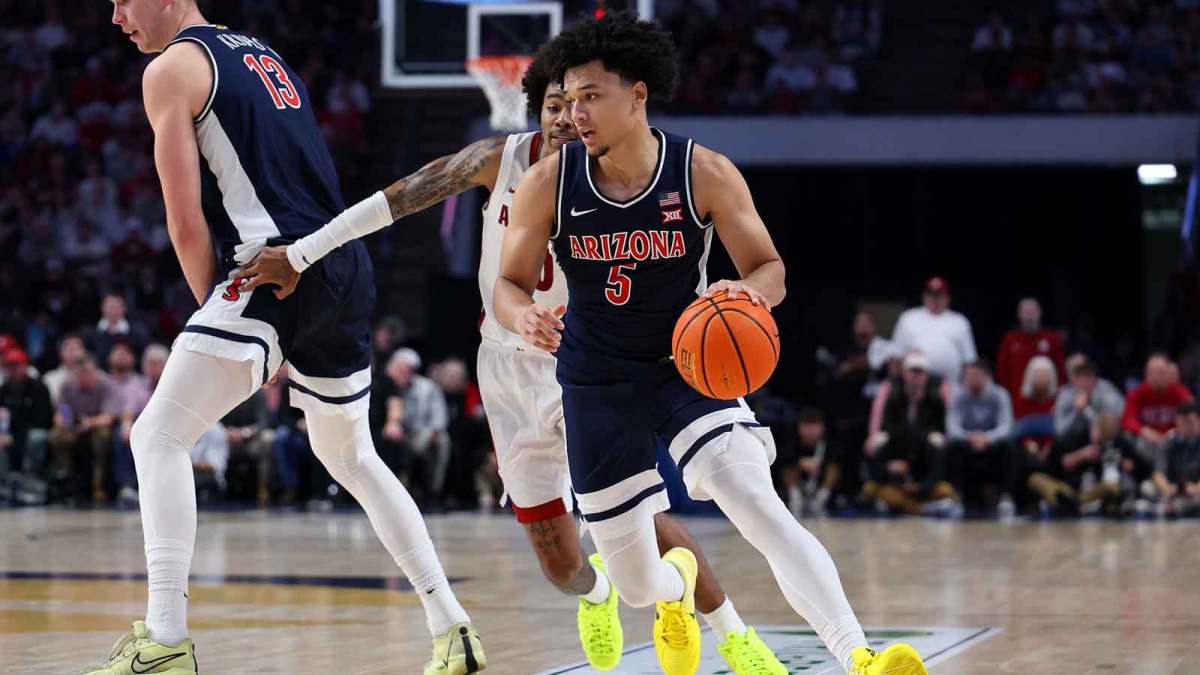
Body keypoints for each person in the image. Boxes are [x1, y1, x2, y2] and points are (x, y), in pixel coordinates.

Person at [234, 39, 782, 674]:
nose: (562, 117)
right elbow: (397, 199)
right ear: (538, 112)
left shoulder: (616, 177)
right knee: (559, 563)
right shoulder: (499, 161)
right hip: (503, 368)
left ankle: (734, 634)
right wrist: (302, 253)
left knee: (642, 521)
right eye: (552, 105)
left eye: (574, 103)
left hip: (583, 363)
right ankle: (599, 594)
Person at [495, 12, 925, 675]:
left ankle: (859, 654)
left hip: (685, 366)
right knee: (637, 584)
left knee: (757, 502)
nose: (573, 113)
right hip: (596, 380)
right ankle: (676, 589)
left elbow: (771, 269)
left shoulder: (703, 172)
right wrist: (521, 315)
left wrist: (746, 294)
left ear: (638, 95)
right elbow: (509, 285)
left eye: (591, 96)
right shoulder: (549, 182)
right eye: (568, 98)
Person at [92, 3, 483, 674]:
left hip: (278, 268)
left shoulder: (172, 69)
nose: (116, 15)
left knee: (155, 435)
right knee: (352, 457)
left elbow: (185, 222)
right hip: (342, 265)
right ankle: (452, 624)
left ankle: (164, 639)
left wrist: (225, 319)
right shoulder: (261, 53)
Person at [889, 277, 977, 386]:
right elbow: (895, 356)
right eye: (931, 295)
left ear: (947, 298)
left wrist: (966, 387)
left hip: (951, 386)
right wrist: (894, 384)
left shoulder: (960, 321)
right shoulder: (908, 317)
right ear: (924, 296)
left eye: (939, 295)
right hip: (915, 388)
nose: (935, 299)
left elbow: (969, 361)